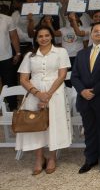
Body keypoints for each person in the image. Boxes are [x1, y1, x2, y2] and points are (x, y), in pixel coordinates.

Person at [16, 26, 71, 175]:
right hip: (34, 93)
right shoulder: (29, 56)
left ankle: (52, 158)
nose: (44, 38)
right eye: (40, 36)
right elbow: (23, 79)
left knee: (53, 124)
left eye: (47, 35)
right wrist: (38, 93)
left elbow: (62, 75)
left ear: (52, 36)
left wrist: (48, 94)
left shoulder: (61, 52)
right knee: (35, 125)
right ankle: (39, 158)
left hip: (55, 93)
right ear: (36, 39)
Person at [70, 22, 100, 174]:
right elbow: (75, 76)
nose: (99, 33)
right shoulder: (82, 53)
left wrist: (94, 91)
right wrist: (82, 91)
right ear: (90, 33)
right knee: (89, 130)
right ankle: (90, 159)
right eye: (96, 31)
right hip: (84, 99)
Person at [0, 10, 22, 109]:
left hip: (6, 58)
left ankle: (12, 107)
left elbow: (14, 37)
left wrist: (18, 53)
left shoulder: (7, 19)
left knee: (10, 84)